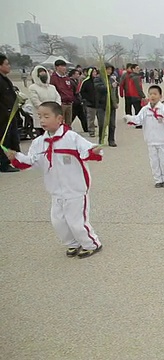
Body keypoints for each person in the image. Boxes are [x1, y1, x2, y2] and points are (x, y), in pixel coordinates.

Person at [6, 101, 104, 258]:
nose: (42, 120)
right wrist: (16, 157)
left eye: (46, 116)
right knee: (58, 221)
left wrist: (95, 150)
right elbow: (32, 161)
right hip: (55, 190)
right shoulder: (39, 142)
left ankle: (91, 243)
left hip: (75, 189)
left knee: (76, 221)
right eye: (40, 116)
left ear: (59, 119)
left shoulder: (72, 137)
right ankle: (72, 243)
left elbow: (88, 150)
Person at [124, 85, 164, 188]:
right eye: (150, 94)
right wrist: (129, 118)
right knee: (154, 161)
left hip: (162, 140)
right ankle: (158, 179)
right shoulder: (145, 110)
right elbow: (138, 120)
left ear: (160, 96)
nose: (152, 96)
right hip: (150, 140)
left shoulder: (163, 108)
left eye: (155, 94)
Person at [0, 54, 20, 172]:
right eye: (6, 64)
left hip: (10, 115)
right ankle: (4, 163)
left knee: (12, 138)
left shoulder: (5, 79)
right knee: (4, 139)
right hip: (3, 116)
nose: (9, 66)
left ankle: (13, 160)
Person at [27, 65, 61, 136]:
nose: (43, 75)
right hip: (41, 117)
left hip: (53, 116)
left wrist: (56, 108)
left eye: (44, 73)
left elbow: (58, 98)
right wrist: (47, 110)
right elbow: (35, 102)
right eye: (41, 73)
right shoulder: (33, 88)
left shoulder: (52, 87)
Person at [94, 65, 119, 147]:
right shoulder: (98, 79)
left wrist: (116, 101)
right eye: (107, 69)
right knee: (102, 123)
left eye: (110, 69)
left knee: (112, 124)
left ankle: (111, 140)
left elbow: (115, 92)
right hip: (102, 105)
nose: (109, 71)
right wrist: (110, 86)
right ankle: (101, 139)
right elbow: (99, 88)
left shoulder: (112, 79)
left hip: (111, 105)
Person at [49, 60, 75, 127]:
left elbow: (71, 89)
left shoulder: (66, 78)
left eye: (65, 66)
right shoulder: (53, 78)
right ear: (57, 67)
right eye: (62, 66)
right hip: (61, 103)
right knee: (60, 122)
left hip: (69, 103)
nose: (64, 68)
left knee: (68, 122)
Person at [79, 67, 99, 138]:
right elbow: (82, 92)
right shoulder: (86, 82)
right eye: (93, 72)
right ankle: (91, 131)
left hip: (99, 103)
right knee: (91, 118)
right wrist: (87, 99)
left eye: (95, 72)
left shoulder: (98, 81)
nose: (95, 73)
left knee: (100, 118)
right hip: (90, 103)